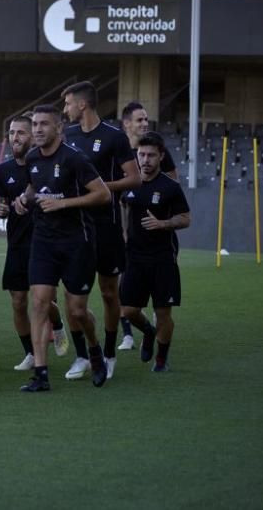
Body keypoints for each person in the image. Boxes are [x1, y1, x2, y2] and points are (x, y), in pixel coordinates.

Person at [16, 105, 111, 392]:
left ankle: (95, 351)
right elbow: (34, 188)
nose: (38, 130)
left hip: (76, 241)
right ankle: (41, 375)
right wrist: (24, 198)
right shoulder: (32, 158)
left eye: (44, 124)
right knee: (39, 302)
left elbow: (103, 194)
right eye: (35, 124)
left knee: (78, 310)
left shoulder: (75, 159)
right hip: (44, 240)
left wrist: (63, 203)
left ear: (59, 128)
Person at [63, 81, 141, 381]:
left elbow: (134, 179)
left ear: (83, 104)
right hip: (74, 228)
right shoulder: (67, 136)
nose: (66, 109)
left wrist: (99, 189)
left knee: (109, 293)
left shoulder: (114, 137)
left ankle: (109, 354)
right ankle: (83, 355)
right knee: (73, 298)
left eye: (69, 103)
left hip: (106, 226)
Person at [0, 115, 68, 371]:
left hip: (44, 240)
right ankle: (29, 353)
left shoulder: (44, 164)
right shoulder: (3, 170)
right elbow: (2, 204)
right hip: (16, 242)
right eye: (12, 133)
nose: (15, 137)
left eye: (21, 133)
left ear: (32, 136)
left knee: (43, 300)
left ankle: (54, 331)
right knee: (18, 301)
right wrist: (1, 211)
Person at [119, 132, 190, 372]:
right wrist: (123, 234)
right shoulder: (129, 184)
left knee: (163, 314)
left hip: (162, 258)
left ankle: (161, 358)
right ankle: (148, 332)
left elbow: (186, 218)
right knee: (128, 310)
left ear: (161, 157)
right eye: (141, 154)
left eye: (151, 155)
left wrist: (163, 224)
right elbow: (123, 208)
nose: (146, 159)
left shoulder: (170, 187)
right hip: (134, 257)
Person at [118, 100, 178, 350]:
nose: (144, 123)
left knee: (159, 294)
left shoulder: (157, 150)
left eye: (146, 119)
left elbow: (173, 185)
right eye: (139, 119)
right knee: (124, 285)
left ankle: (153, 331)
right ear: (127, 124)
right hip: (128, 232)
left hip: (158, 235)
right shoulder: (119, 151)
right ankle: (129, 335)